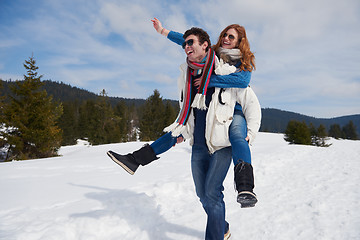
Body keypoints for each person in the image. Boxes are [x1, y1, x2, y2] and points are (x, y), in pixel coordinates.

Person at [107, 20, 261, 209]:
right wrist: (164, 31)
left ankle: (245, 186)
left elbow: (243, 81)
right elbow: (188, 41)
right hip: (208, 110)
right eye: (225, 35)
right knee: (177, 132)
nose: (226, 39)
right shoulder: (213, 55)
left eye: (232, 37)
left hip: (232, 110)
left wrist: (211, 80)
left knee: (238, 136)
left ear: (239, 42)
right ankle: (134, 160)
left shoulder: (238, 62)